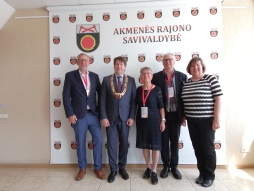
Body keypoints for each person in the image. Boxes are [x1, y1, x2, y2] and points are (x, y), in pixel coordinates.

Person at [62, 53, 106, 181]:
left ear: (89, 62)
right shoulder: (70, 76)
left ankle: (98, 168)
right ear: (77, 62)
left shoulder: (94, 76)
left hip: (93, 115)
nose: (83, 62)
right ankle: (82, 168)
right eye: (81, 60)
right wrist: (70, 113)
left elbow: (101, 95)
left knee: (98, 140)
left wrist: (103, 114)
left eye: (86, 60)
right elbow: (65, 97)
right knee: (80, 142)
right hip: (78, 116)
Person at [181, 57, 223, 187]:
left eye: (198, 65)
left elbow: (218, 99)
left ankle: (209, 175)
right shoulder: (186, 82)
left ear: (202, 66)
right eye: (192, 66)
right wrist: (184, 116)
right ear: (189, 69)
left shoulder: (210, 79)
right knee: (198, 148)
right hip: (192, 121)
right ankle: (202, 173)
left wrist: (216, 118)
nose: (195, 68)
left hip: (207, 121)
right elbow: (184, 101)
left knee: (208, 149)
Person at [100, 56, 136, 183]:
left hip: (125, 119)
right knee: (111, 145)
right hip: (110, 119)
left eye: (121, 64)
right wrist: (103, 117)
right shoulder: (106, 80)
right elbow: (102, 100)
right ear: (114, 66)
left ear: (125, 66)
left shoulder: (131, 80)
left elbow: (133, 101)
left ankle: (122, 168)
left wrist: (132, 117)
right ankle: (113, 169)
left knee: (124, 144)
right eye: (117, 64)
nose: (119, 66)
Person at [151, 53, 187, 180]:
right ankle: (166, 166)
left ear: (175, 61)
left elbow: (185, 98)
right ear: (162, 62)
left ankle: (174, 167)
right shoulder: (155, 77)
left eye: (170, 60)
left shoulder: (182, 76)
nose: (168, 62)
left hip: (177, 115)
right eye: (165, 60)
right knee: (164, 141)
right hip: (163, 116)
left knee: (175, 141)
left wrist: (184, 116)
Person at [136, 67, 165, 185]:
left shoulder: (157, 89)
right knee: (145, 145)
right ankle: (147, 168)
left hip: (155, 121)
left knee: (155, 146)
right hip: (142, 122)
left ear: (151, 76)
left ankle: (154, 171)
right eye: (143, 73)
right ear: (141, 77)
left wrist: (163, 120)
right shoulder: (138, 90)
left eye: (148, 73)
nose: (146, 75)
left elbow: (161, 106)